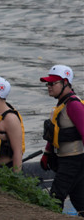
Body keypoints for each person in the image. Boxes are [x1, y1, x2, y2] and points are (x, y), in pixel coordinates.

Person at [39, 65, 84, 215]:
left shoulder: (74, 105)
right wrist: (47, 153)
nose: (49, 87)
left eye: (53, 83)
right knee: (79, 198)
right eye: (48, 84)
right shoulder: (60, 105)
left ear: (65, 82)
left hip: (74, 160)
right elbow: (53, 134)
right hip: (65, 159)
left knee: (55, 198)